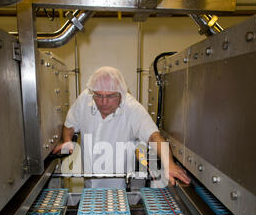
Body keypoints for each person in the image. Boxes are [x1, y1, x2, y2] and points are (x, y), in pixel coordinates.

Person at [53, 66, 190, 188]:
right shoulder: (85, 99)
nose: (104, 102)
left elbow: (154, 136)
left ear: (121, 93)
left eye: (111, 96)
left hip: (120, 185)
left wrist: (169, 164)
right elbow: (70, 124)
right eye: (99, 96)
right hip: (90, 182)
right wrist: (67, 141)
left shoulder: (131, 107)